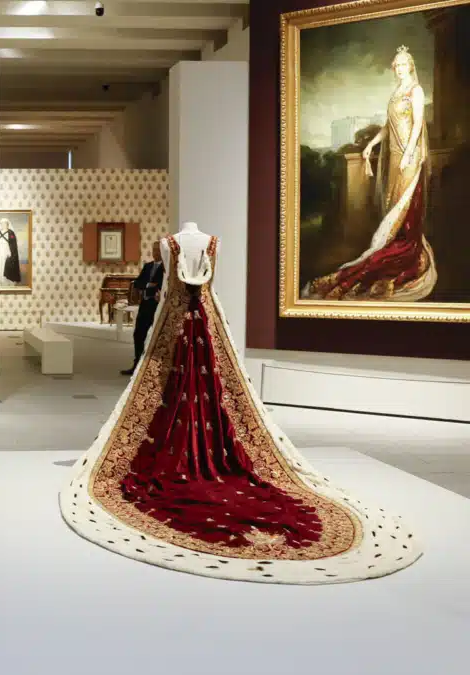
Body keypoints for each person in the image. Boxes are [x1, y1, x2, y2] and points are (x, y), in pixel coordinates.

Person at [60, 222, 422, 583]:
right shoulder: (209, 244)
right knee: (197, 388)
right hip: (205, 323)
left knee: (180, 390)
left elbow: (174, 288)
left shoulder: (174, 244)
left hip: (174, 322)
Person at [304, 44, 435, 302]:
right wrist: (371, 145)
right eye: (396, 65)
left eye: (403, 64)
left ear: (410, 66)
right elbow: (389, 127)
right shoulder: (396, 94)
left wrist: (409, 153)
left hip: (408, 157)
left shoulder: (415, 91)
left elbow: (418, 125)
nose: (399, 69)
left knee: (405, 206)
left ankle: (406, 248)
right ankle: (394, 243)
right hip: (395, 155)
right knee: (394, 203)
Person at [121, 241, 164, 376]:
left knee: (158, 337)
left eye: (158, 250)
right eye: (154, 250)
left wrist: (150, 286)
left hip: (158, 306)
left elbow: (162, 285)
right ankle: (137, 365)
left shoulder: (166, 268)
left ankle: (155, 367)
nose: (155, 253)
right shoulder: (148, 266)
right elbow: (138, 283)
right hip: (145, 305)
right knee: (138, 334)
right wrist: (149, 285)